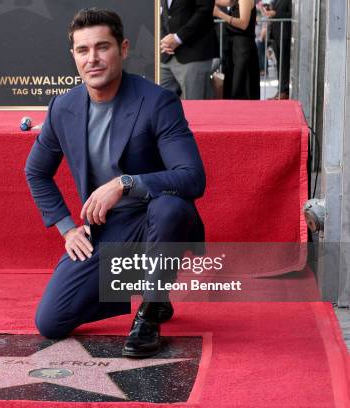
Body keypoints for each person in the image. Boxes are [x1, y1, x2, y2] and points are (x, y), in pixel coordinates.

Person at [25, 8, 205, 358]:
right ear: (74, 56)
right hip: (106, 231)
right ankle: (153, 290)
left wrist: (125, 183)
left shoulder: (157, 102)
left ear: (122, 49)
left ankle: (150, 313)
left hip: (155, 220)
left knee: (170, 207)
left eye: (102, 47)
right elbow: (36, 172)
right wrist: (66, 228)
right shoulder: (63, 108)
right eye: (83, 50)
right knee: (50, 321)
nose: (92, 58)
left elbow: (192, 177)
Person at [159, 0, 219, 99]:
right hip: (166, 55)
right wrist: (164, 40)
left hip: (193, 53)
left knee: (195, 109)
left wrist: (178, 38)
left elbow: (205, 10)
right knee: (159, 104)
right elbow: (163, 13)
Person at [214, 0, 260, 99]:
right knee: (233, 89)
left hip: (243, 50)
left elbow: (243, 23)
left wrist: (219, 14)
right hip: (235, 49)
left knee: (241, 89)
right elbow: (226, 2)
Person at [263, 0, 291, 99]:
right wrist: (269, 9)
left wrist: (275, 13)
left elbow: (292, 15)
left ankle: (284, 91)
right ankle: (280, 90)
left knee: (284, 64)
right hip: (276, 35)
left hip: (284, 34)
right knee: (279, 64)